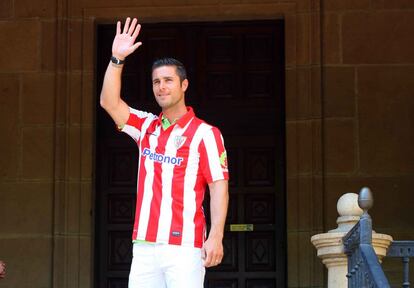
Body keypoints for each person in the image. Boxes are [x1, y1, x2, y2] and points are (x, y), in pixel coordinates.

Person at [100, 17, 229, 288]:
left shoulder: (205, 133)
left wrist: (216, 236)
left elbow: (219, 187)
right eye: (157, 81)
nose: (162, 86)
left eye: (169, 80)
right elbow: (109, 102)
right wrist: (117, 58)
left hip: (185, 245)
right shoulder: (146, 126)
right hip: (145, 245)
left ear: (184, 85)